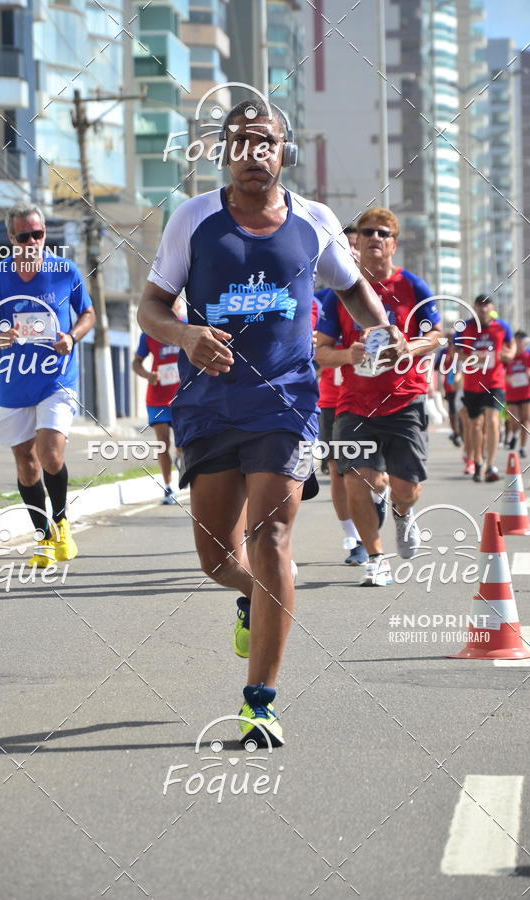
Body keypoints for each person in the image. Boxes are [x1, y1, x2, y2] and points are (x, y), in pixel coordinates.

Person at [137, 100, 401, 746]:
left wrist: (383, 330)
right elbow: (150, 307)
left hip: (285, 402)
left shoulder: (314, 221)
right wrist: (184, 333)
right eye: (241, 141)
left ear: (284, 151)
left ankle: (260, 702)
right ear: (225, 151)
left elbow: (350, 287)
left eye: (266, 141)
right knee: (217, 556)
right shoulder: (193, 219)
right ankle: (251, 597)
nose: (254, 152)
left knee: (273, 534)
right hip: (207, 403)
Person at [316, 207, 442, 586]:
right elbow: (320, 351)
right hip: (355, 404)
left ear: (393, 244)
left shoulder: (413, 287)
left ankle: (403, 514)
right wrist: (346, 355)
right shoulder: (342, 290)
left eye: (382, 233)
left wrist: (410, 347)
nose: (373, 238)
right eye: (368, 232)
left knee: (406, 489)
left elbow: (436, 336)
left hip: (405, 399)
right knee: (356, 478)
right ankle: (375, 557)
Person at [0, 202, 95, 565]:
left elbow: (87, 312)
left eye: (37, 234)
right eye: (23, 236)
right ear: (11, 238)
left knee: (50, 452)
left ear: (44, 234)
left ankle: (63, 525)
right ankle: (43, 537)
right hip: (14, 382)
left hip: (56, 378)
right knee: (26, 463)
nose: (32, 242)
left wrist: (72, 336)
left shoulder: (64, 270)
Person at [458, 294, 514, 482]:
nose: (483, 308)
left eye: (486, 305)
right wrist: (472, 359)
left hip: (495, 382)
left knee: (492, 420)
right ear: (474, 307)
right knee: (475, 425)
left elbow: (511, 346)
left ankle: (491, 465)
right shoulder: (465, 328)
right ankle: (477, 460)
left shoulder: (502, 327)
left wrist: (509, 354)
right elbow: (456, 352)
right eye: (479, 305)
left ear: (491, 307)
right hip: (472, 384)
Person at [133, 299, 183, 504]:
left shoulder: (188, 326)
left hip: (183, 397)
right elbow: (136, 363)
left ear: (179, 307)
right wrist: (147, 375)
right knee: (162, 443)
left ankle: (182, 465)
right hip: (157, 397)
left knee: (182, 445)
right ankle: (169, 487)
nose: (170, 309)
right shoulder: (151, 333)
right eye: (166, 305)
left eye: (174, 305)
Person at [505, 330, 530, 457]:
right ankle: (514, 435)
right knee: (514, 420)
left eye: (522, 341)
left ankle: (522, 447)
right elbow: (502, 372)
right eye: (517, 341)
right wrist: (506, 378)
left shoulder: (527, 356)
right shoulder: (509, 357)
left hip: (526, 393)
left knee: (526, 420)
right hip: (512, 393)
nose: (520, 344)